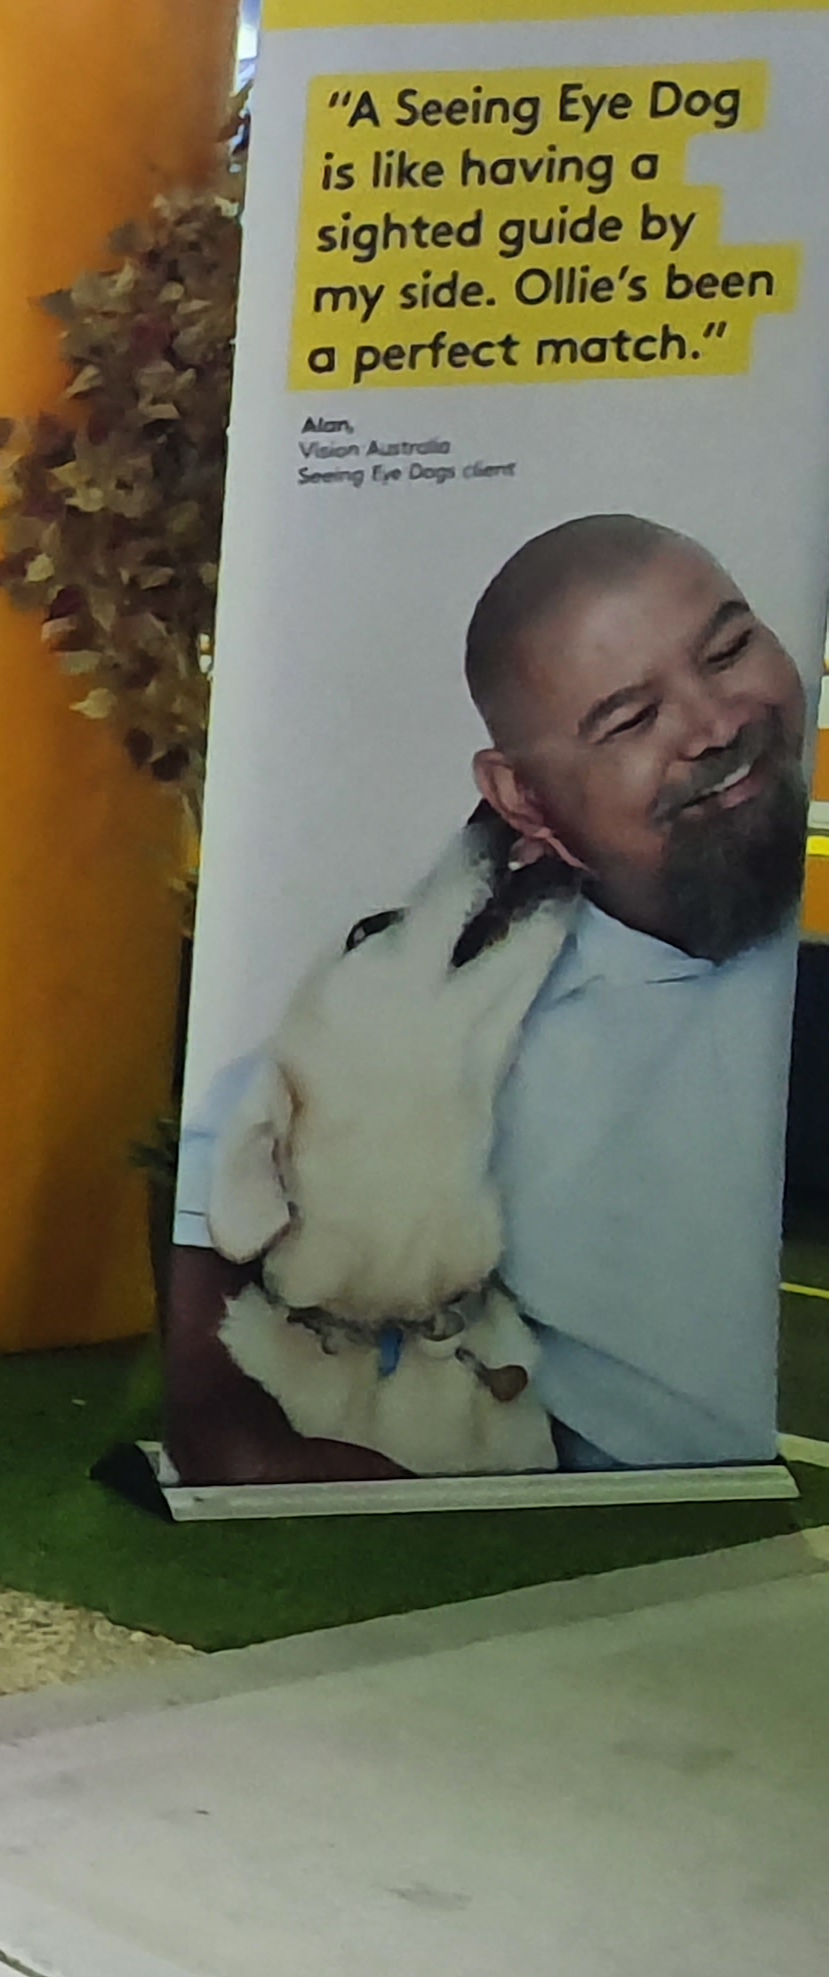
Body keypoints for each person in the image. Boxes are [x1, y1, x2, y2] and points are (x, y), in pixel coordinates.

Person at [169, 512, 804, 1478]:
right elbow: (228, 1197)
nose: (716, 725)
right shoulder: (444, 1025)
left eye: (730, 648)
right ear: (516, 798)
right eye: (631, 720)